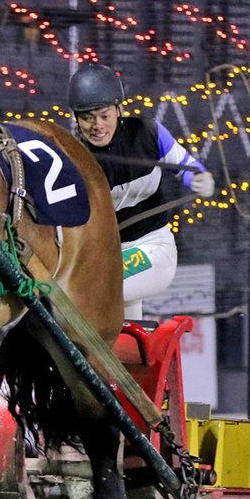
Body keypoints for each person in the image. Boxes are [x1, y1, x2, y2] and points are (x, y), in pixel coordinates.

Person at [67, 63, 215, 319]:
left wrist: (198, 178)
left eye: (105, 115)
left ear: (119, 109)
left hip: (152, 248)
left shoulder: (148, 133)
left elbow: (186, 166)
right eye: (87, 118)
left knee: (92, 287)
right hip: (104, 255)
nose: (97, 126)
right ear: (76, 119)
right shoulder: (71, 155)